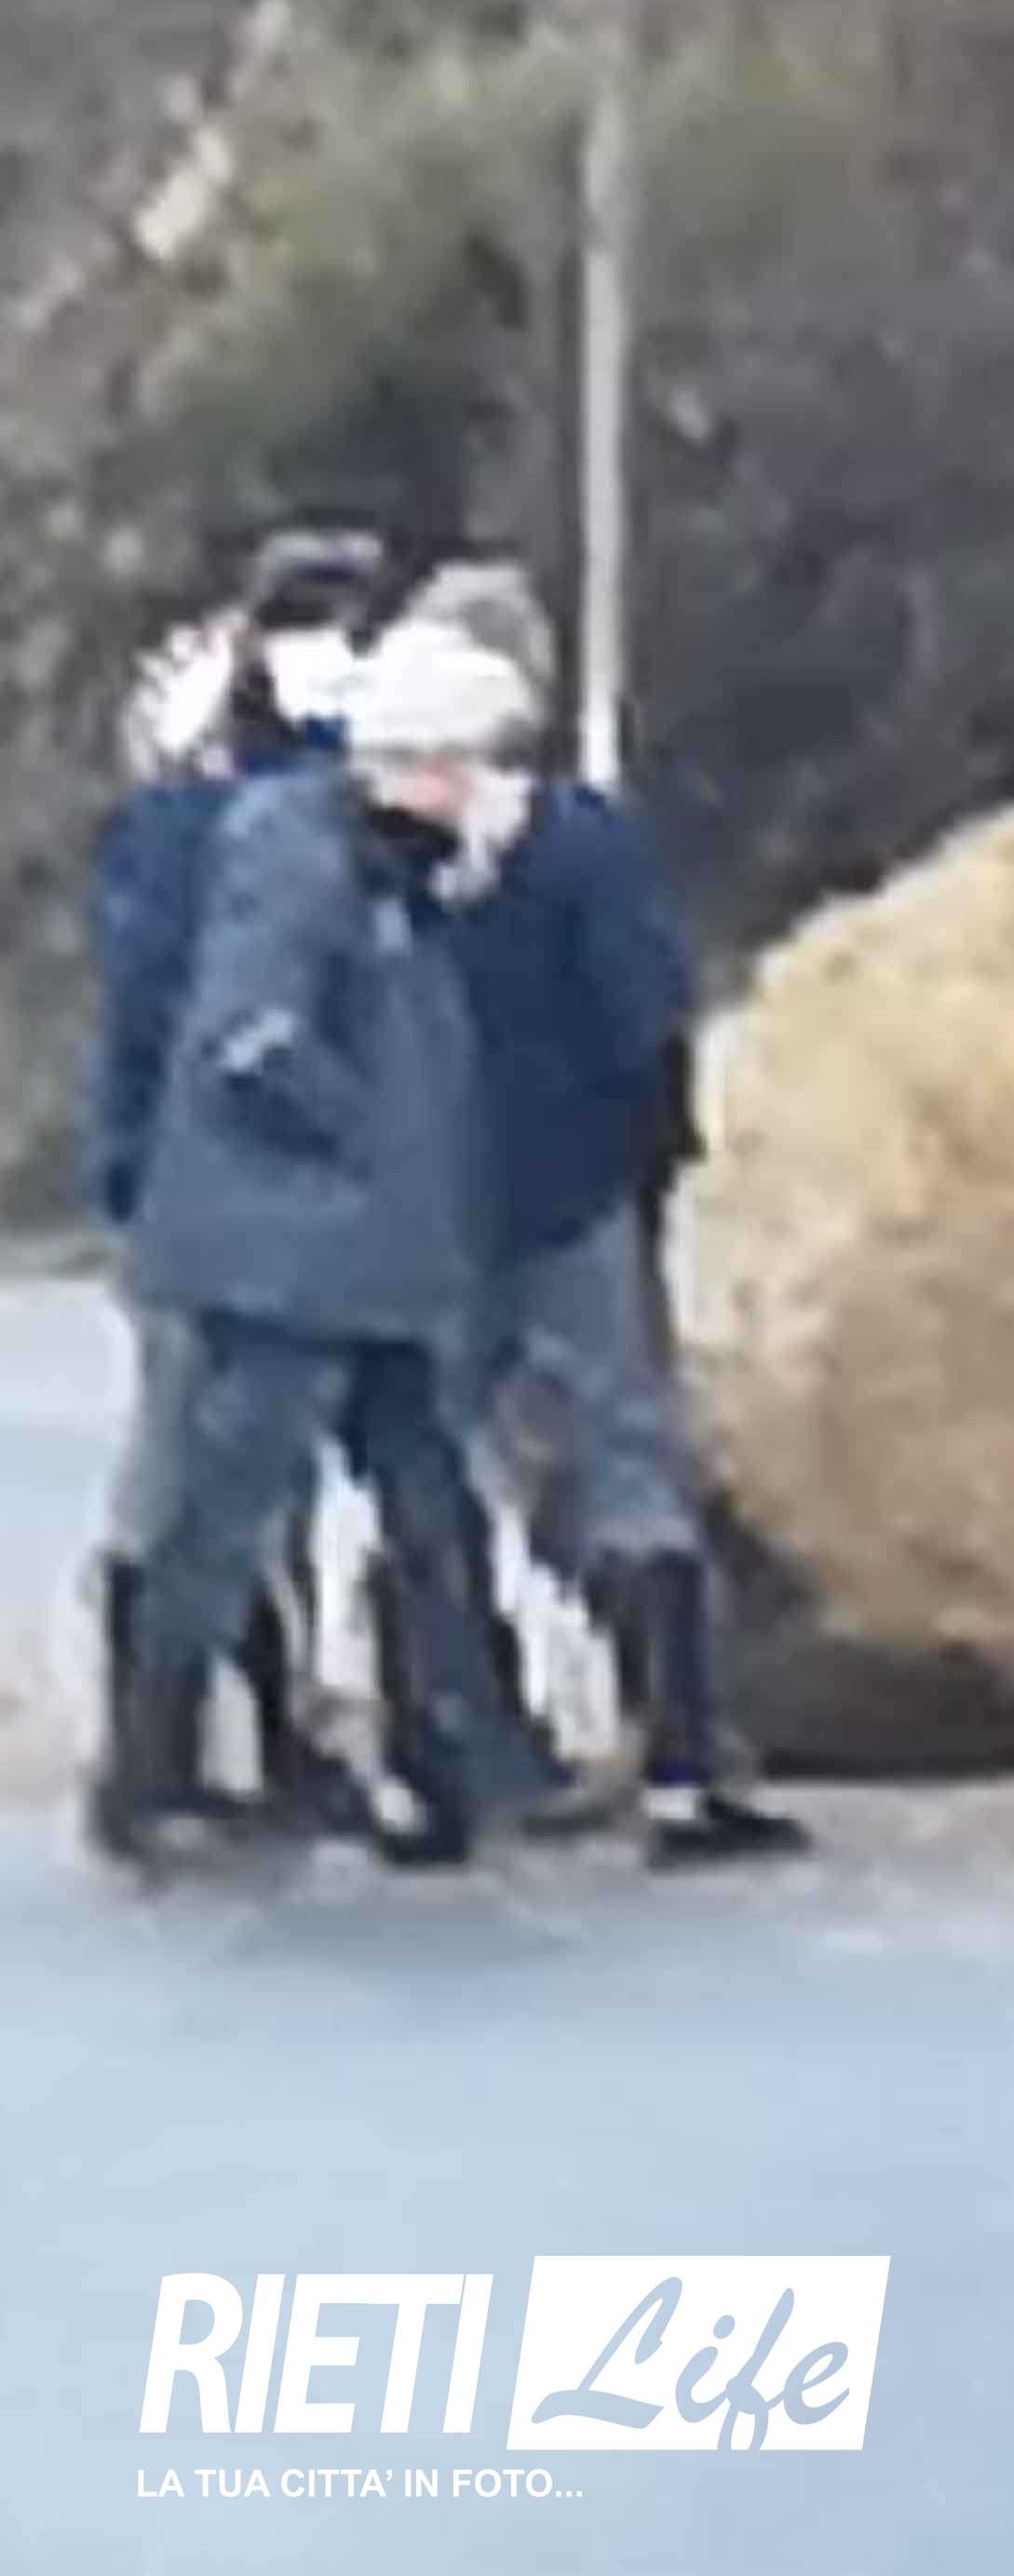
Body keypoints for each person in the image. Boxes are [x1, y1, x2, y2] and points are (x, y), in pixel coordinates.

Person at [89, 620, 565, 1872]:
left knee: (428, 1506)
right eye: (482, 764)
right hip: (286, 1269)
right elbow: (251, 1039)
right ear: (428, 763)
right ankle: (150, 1772)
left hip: (368, 1263)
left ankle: (455, 1762)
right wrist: (372, 1142)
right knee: (226, 1520)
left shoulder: (391, 873)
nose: (497, 792)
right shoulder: (303, 862)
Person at [389, 560, 807, 1868]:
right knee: (625, 1451)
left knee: (435, 1458)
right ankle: (681, 1757)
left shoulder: (379, 854)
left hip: (427, 1204)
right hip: (572, 1189)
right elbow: (645, 1017)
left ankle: (448, 1760)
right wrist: (659, 1156)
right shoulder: (579, 842)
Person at [83, 531, 398, 1828]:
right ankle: (172, 1751)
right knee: (206, 1466)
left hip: (193, 1166)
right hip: (230, 1167)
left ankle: (218, 1741)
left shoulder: (189, 801)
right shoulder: (268, 814)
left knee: (222, 1468)